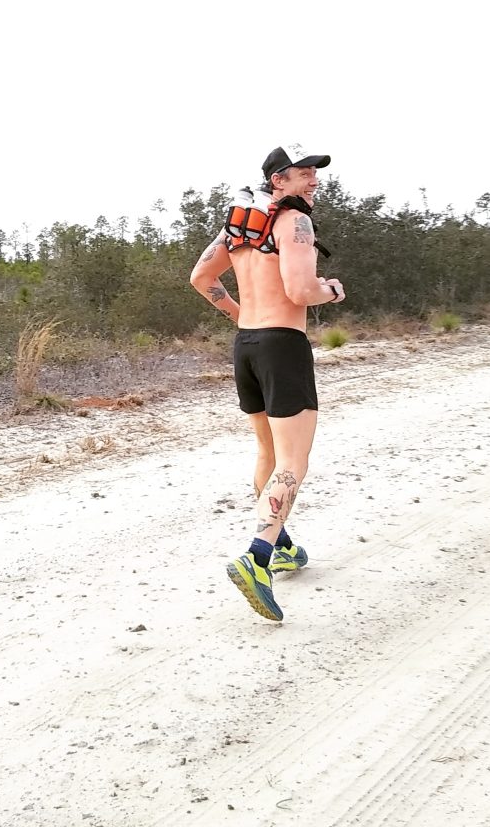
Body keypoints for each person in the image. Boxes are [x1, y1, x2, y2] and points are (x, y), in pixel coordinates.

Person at [189, 145, 346, 622]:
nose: (312, 181)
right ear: (279, 181)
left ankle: (280, 545)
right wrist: (332, 290)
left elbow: (201, 277)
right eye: (303, 174)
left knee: (268, 454)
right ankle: (258, 556)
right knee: (294, 461)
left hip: (248, 346)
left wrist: (242, 317)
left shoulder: (241, 225)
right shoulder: (294, 222)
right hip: (283, 346)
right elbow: (301, 290)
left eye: (314, 173)